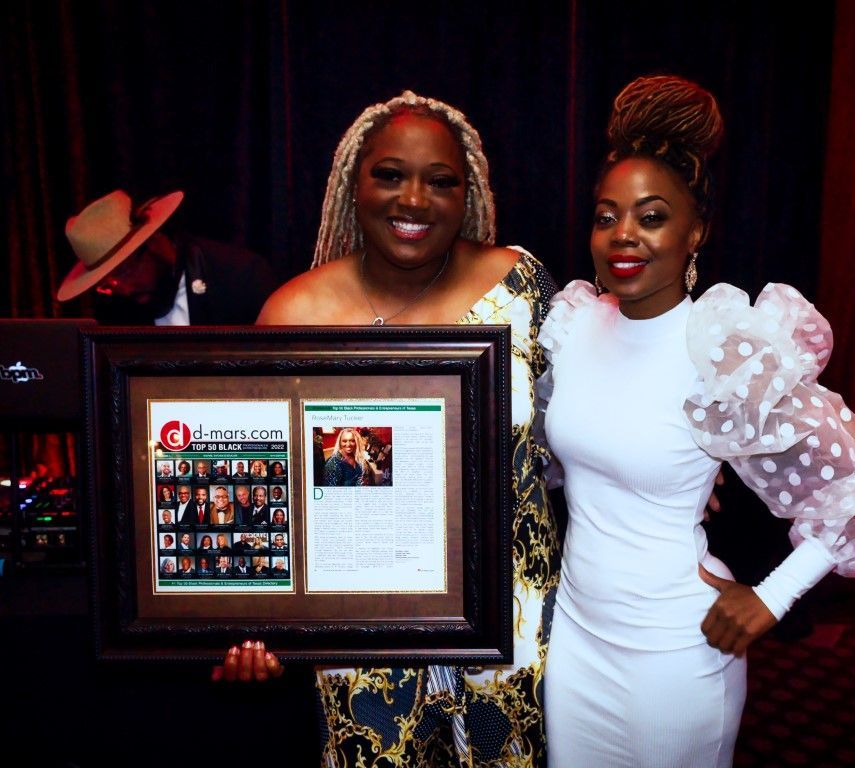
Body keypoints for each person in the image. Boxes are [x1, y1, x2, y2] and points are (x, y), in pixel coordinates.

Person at [537, 75, 855, 768]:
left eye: (652, 216)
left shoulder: (722, 348)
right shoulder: (574, 326)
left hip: (675, 655)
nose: (623, 234)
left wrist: (773, 597)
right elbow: (556, 461)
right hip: (575, 640)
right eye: (605, 215)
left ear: (696, 232)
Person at [236, 90, 561, 766]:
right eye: (390, 174)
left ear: (466, 193)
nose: (414, 199)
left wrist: (663, 459)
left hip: (516, 626)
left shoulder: (519, 286)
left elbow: (575, 422)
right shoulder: (294, 314)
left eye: (440, 181)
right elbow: (263, 498)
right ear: (353, 182)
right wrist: (249, 626)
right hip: (361, 634)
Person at [56, 189, 277, 325]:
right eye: (108, 284)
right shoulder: (114, 311)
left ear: (153, 242)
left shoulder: (241, 276)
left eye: (124, 271)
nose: (124, 289)